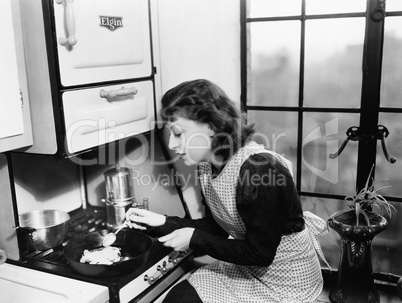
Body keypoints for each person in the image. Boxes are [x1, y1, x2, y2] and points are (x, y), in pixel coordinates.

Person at [125, 79, 329, 303]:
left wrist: (193, 239)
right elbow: (216, 229)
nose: (172, 145)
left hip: (286, 281)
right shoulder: (206, 167)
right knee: (177, 299)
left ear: (211, 126)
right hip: (246, 268)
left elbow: (260, 253)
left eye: (178, 132)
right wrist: (162, 222)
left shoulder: (260, 170)